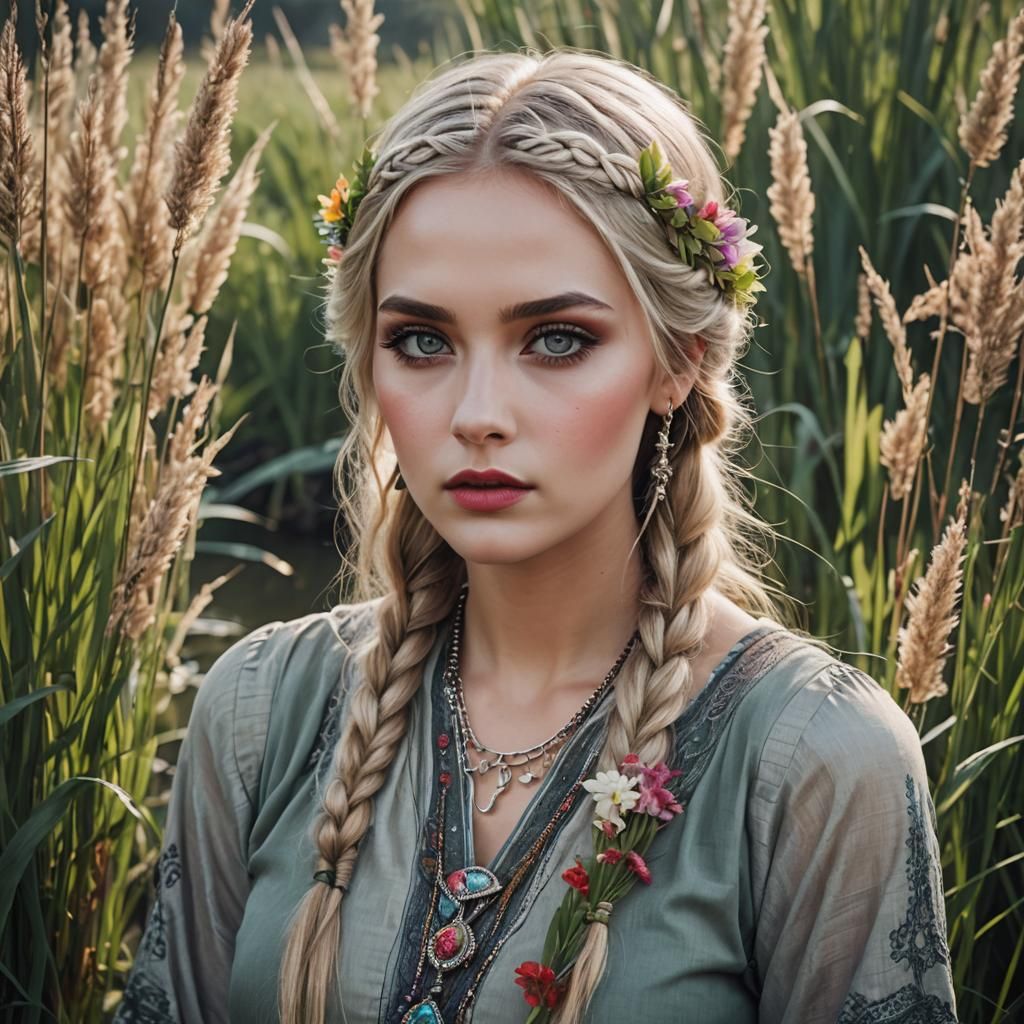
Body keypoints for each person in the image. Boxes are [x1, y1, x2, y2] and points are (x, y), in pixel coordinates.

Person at [114, 48, 958, 1024]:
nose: (476, 413)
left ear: (677, 358)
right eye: (420, 340)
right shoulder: (263, 712)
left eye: (556, 338)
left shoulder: (814, 759)